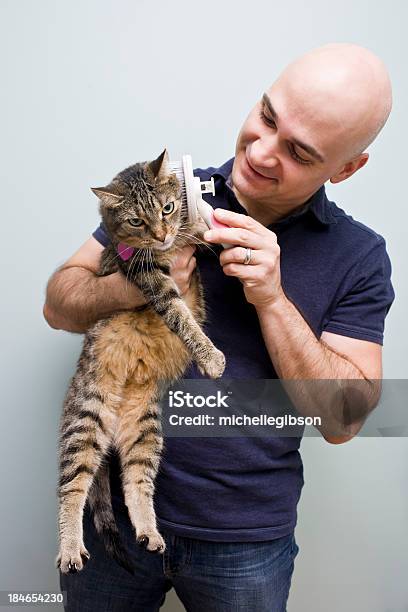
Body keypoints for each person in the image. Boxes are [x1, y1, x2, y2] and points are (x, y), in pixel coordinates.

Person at [44, 43, 394, 611]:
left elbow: (344, 420)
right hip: (114, 508)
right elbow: (60, 303)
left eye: (300, 153)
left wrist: (272, 300)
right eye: (266, 116)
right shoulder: (166, 198)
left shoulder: (360, 256)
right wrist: (140, 280)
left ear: (347, 168)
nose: (260, 152)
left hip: (246, 543)